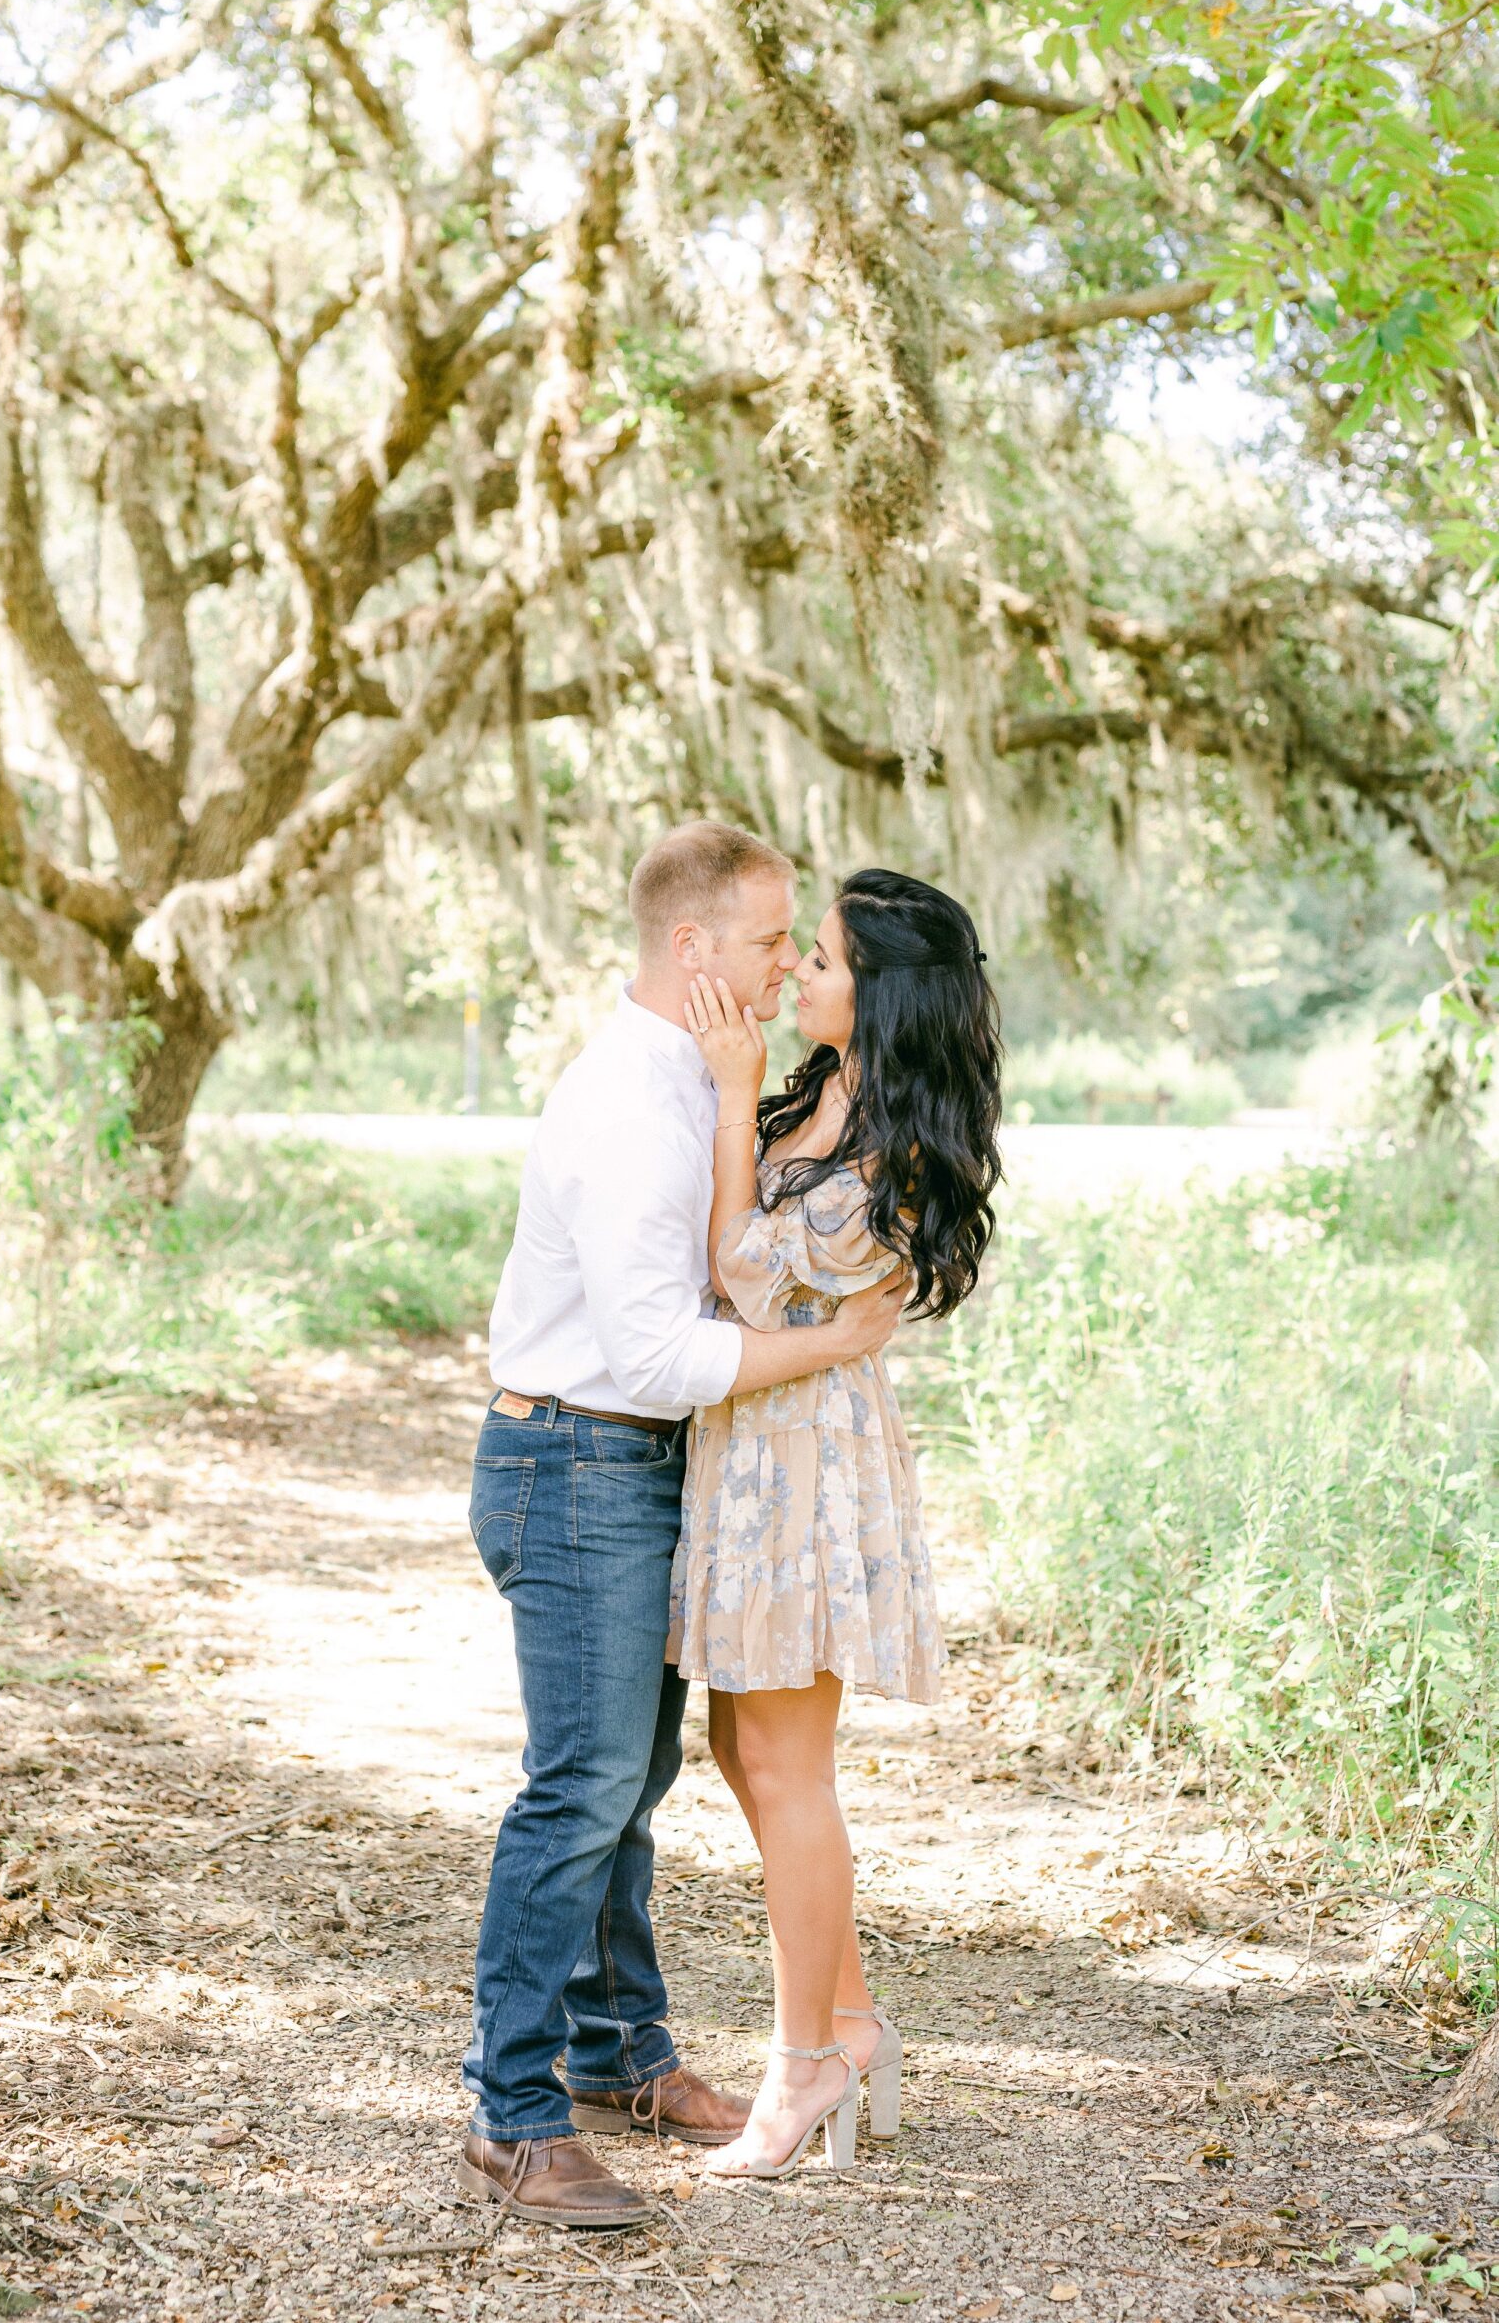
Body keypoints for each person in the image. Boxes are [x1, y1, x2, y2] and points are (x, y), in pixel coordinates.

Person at [459, 824, 909, 2230]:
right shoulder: (626, 1109)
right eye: (776, 940)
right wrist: (838, 1344)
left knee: (631, 1785)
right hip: (580, 1462)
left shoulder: (708, 1088)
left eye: (798, 946)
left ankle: (619, 2054)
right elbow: (660, 1357)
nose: (789, 967)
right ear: (693, 947)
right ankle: (513, 2118)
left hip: (644, 1471)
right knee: (582, 1789)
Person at [667, 867, 1003, 2179]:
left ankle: (799, 2070)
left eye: (820, 960)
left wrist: (735, 1103)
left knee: (789, 1769)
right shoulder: (834, 1102)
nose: (797, 976)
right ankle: (851, 2027)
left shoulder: (895, 1141)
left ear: (883, 993)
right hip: (759, 1446)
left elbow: (740, 1277)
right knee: (746, 1754)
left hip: (807, 1470)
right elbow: (769, 1294)